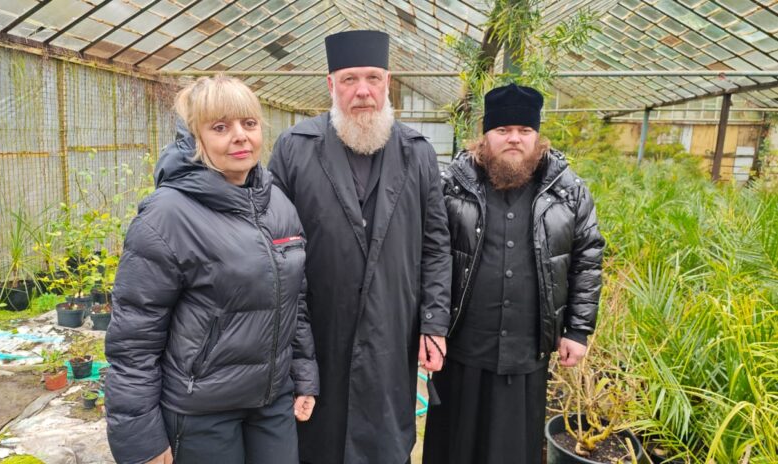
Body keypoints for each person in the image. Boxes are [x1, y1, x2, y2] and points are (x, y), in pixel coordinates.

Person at [105, 75, 319, 464]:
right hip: (200, 411)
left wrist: (303, 375)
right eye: (220, 127)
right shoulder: (167, 216)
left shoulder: (279, 206)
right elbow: (134, 338)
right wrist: (140, 438)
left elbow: (295, 305)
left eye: (249, 123)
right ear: (195, 138)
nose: (240, 137)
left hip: (271, 403)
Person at [267, 30, 452, 464]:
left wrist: (434, 322)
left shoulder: (418, 153)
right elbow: (273, 246)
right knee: (318, 440)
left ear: (388, 82)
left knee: (385, 441)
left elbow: (436, 245)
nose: (363, 91)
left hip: (394, 325)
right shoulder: (295, 149)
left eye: (372, 78)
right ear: (331, 85)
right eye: (350, 79)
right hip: (319, 329)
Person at [422, 83, 605, 464]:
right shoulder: (451, 185)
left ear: (537, 136)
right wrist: (429, 325)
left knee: (513, 451)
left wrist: (577, 330)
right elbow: (429, 254)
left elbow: (587, 258)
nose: (514, 139)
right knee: (455, 448)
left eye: (524, 130)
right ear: (485, 135)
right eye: (503, 130)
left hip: (526, 352)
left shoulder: (568, 191)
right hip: (462, 348)